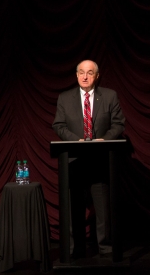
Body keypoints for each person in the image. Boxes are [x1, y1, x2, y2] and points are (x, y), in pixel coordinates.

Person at [52, 60, 125, 258]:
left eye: (90, 73)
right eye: (82, 73)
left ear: (97, 76)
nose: (85, 76)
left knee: (103, 210)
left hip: (100, 161)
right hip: (74, 162)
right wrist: (77, 141)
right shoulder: (65, 98)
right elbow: (59, 125)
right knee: (74, 210)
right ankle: (76, 249)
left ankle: (106, 248)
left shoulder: (109, 96)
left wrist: (105, 140)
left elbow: (118, 124)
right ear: (76, 75)